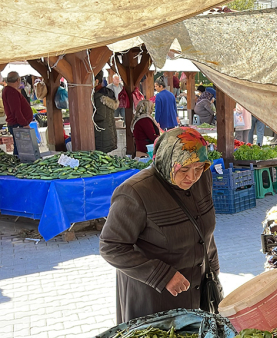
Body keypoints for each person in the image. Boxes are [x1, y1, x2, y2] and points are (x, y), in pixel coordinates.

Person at [100, 127, 221, 323]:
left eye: (199, 167)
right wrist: (162, 275)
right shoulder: (135, 192)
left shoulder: (202, 178)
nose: (192, 176)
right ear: (166, 160)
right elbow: (111, 246)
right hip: (153, 298)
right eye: (183, 169)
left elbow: (204, 229)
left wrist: (212, 268)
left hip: (197, 291)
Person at [1, 72, 33, 156]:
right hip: (17, 124)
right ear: (18, 80)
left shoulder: (7, 90)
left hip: (16, 123)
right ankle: (18, 165)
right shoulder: (11, 92)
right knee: (21, 148)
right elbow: (16, 111)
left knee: (20, 147)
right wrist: (24, 124)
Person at [93, 71, 119, 153]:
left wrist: (88, 117)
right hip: (109, 131)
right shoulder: (108, 93)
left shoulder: (99, 97)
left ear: (96, 81)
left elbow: (100, 116)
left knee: (101, 157)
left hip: (101, 134)